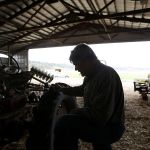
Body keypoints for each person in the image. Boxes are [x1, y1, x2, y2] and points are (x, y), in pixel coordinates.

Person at [53, 43, 125, 150]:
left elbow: (100, 117)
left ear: (87, 60)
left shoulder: (106, 75)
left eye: (77, 64)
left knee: (65, 123)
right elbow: (82, 89)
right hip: (103, 123)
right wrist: (62, 90)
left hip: (111, 127)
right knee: (100, 145)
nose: (76, 69)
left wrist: (75, 111)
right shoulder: (90, 75)